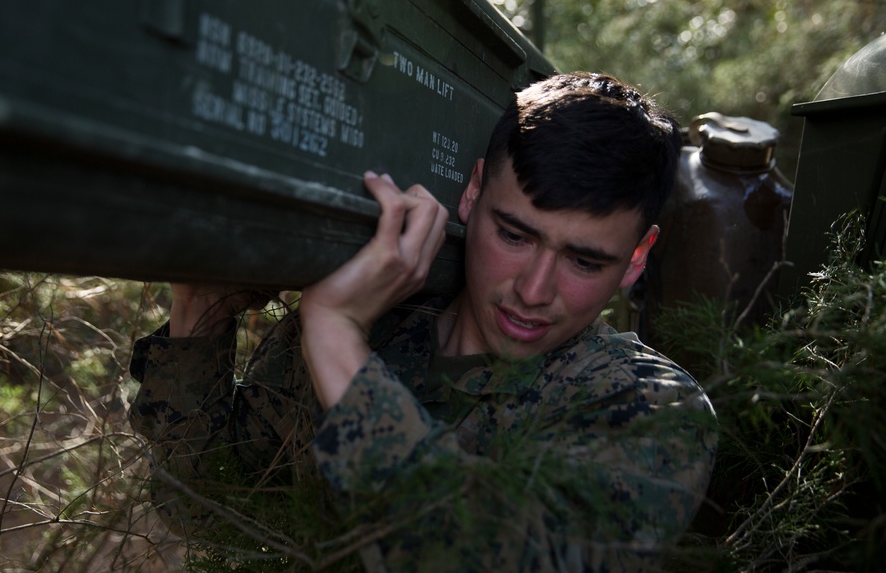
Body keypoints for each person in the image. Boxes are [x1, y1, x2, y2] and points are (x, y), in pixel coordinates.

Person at [129, 72, 718, 571]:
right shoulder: (379, 327)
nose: (534, 291)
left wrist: (334, 334)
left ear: (636, 258)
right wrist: (199, 309)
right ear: (472, 194)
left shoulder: (646, 407)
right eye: (513, 235)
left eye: (585, 261)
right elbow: (203, 504)